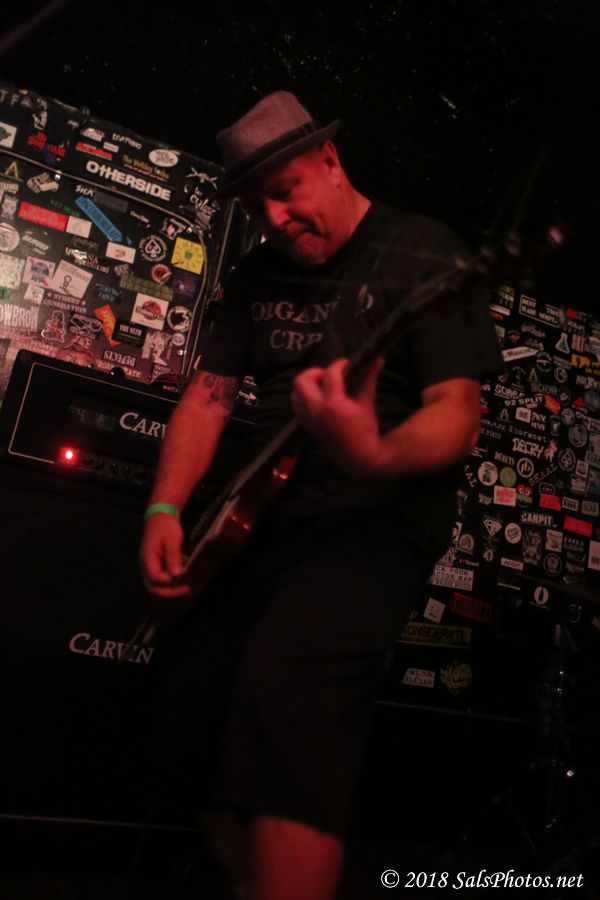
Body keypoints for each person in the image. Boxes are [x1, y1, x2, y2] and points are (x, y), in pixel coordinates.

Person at [140, 91, 502, 900]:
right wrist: (165, 508)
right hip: (256, 520)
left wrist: (373, 454)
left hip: (370, 521)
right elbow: (209, 396)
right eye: (256, 206)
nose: (274, 218)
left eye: (287, 190)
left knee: (288, 697)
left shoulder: (422, 251)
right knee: (186, 711)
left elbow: (457, 415)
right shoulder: (257, 272)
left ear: (332, 160)